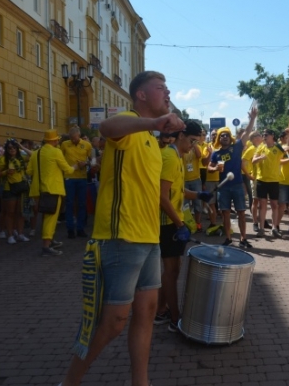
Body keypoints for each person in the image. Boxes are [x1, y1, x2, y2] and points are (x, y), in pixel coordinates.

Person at [61, 71, 185, 386]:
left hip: (148, 238)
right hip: (119, 238)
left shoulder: (153, 141)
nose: (167, 92)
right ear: (141, 95)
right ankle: (69, 382)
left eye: (168, 88)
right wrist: (155, 123)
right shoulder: (130, 123)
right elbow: (105, 128)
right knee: (115, 321)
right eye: (160, 88)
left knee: (146, 314)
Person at [156, 120, 212, 332]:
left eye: (196, 142)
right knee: (172, 271)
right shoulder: (170, 157)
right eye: (191, 140)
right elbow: (162, 197)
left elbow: (176, 192)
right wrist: (180, 224)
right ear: (180, 136)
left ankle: (161, 310)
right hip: (167, 223)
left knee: (171, 271)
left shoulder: (177, 156)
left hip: (173, 221)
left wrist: (198, 194)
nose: (193, 146)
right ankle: (175, 318)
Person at [209, 108, 258, 247]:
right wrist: (215, 168)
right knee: (225, 214)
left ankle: (243, 239)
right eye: (222, 135)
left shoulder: (237, 146)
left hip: (237, 185)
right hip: (223, 187)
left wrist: (252, 119)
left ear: (230, 136)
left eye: (226, 135)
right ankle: (229, 238)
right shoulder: (216, 153)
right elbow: (209, 168)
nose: (224, 137)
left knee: (241, 213)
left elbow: (247, 133)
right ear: (218, 138)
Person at [27, 130, 81, 256]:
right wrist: (76, 166)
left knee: (46, 217)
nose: (58, 141)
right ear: (54, 141)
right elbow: (67, 169)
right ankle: (46, 246)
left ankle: (49, 241)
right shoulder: (56, 152)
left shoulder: (36, 153)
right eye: (57, 140)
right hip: (52, 189)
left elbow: (29, 171)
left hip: (38, 190)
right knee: (50, 218)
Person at [253, 128, 288, 237]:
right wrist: (260, 157)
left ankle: (274, 228)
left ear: (272, 135)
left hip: (274, 181)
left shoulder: (278, 147)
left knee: (274, 205)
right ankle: (262, 228)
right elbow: (253, 161)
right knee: (262, 205)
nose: (264, 136)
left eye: (266, 134)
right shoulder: (260, 147)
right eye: (263, 134)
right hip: (261, 180)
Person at [61, 126, 93, 239]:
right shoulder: (65, 144)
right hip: (69, 177)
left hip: (82, 177)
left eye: (74, 138)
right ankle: (70, 228)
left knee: (82, 203)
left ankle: (80, 228)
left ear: (79, 136)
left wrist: (86, 164)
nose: (73, 140)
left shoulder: (87, 145)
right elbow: (61, 159)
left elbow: (92, 160)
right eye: (71, 138)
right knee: (69, 203)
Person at [0, 139, 29, 244]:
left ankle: (20, 233)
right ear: (6, 149)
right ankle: (10, 234)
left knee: (20, 212)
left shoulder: (21, 158)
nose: (12, 150)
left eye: (14, 148)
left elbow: (32, 155)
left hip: (21, 187)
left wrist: (21, 146)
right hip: (9, 188)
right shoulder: (3, 160)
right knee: (10, 213)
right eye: (10, 148)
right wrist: (6, 172)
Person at [242, 131, 263, 232]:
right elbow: (242, 162)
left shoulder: (264, 147)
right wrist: (248, 175)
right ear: (255, 138)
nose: (262, 137)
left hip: (265, 178)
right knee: (255, 200)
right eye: (259, 135)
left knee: (263, 201)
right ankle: (255, 222)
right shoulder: (251, 149)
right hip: (255, 178)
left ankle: (262, 221)